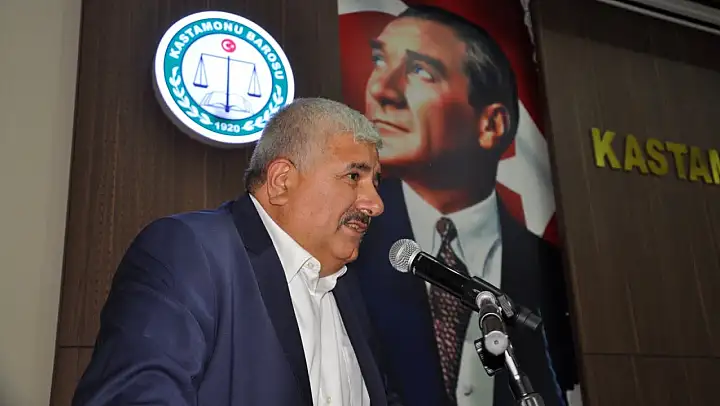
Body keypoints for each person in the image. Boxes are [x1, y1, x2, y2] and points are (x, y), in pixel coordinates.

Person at [72, 98, 401, 406]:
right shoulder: (190, 253)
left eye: (375, 182)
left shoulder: (348, 288)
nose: (376, 204)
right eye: (354, 176)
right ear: (281, 181)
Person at [348, 5, 578, 406]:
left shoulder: (551, 272)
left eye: (420, 70)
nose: (381, 90)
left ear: (491, 125)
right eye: (379, 60)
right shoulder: (351, 246)